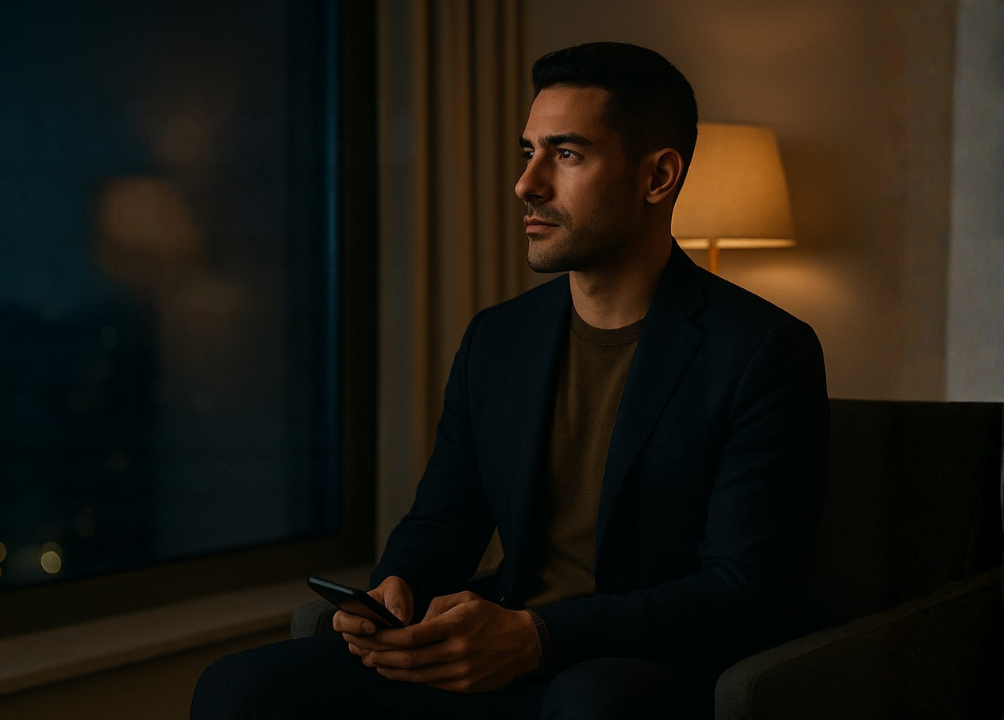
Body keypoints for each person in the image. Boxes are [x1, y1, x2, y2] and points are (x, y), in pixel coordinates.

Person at [191, 41, 828, 719]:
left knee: (593, 704)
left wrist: (537, 638)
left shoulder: (763, 350)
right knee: (238, 687)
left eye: (567, 154)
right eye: (528, 152)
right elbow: (442, 520)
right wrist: (394, 590)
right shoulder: (498, 339)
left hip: (635, 666)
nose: (528, 183)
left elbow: (743, 590)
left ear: (657, 177)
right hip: (497, 650)